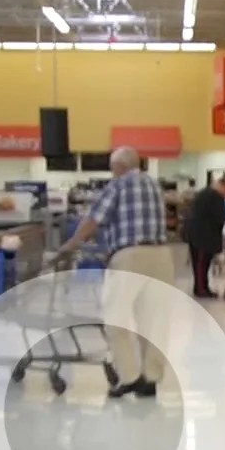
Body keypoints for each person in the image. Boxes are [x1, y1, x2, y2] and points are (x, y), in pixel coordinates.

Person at [48, 144, 172, 398]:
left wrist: (70, 245)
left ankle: (130, 376)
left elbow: (94, 219)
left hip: (131, 257)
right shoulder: (153, 185)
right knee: (153, 321)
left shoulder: (118, 184)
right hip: (161, 256)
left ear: (119, 166)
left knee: (115, 319)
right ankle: (151, 379)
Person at [181, 172, 225, 298]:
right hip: (202, 235)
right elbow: (220, 217)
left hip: (198, 233)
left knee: (201, 263)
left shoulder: (207, 193)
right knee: (201, 263)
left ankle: (202, 287)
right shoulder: (214, 196)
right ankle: (200, 289)